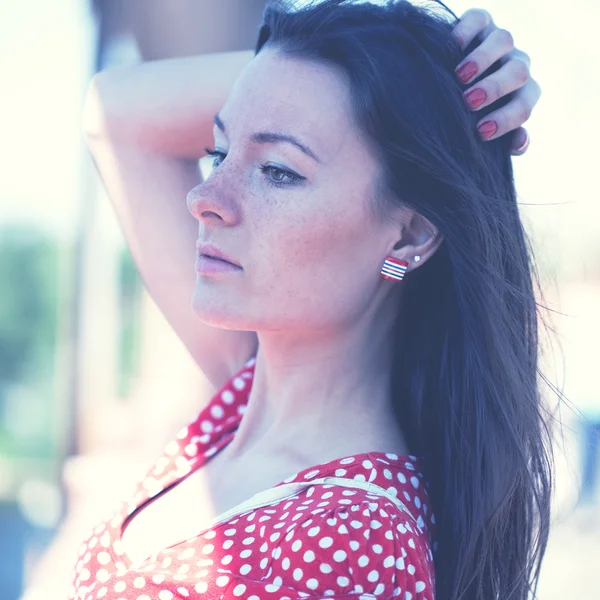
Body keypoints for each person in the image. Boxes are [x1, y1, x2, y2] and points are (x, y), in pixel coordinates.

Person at [78, 1, 548, 599]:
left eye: (278, 171)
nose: (206, 197)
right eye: (219, 153)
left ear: (410, 233)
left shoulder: (352, 543)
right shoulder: (244, 397)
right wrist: (443, 85)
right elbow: (114, 111)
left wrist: (425, 96)